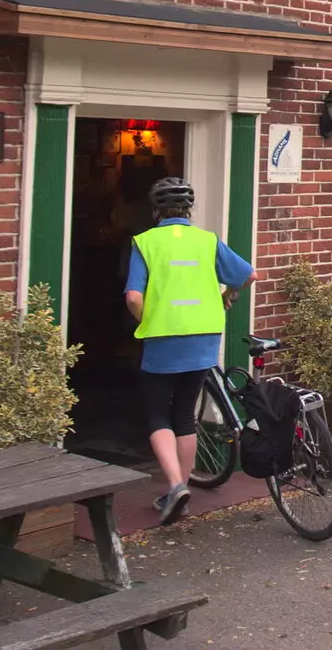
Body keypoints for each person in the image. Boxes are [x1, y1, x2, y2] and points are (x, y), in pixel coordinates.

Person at [124, 176, 255, 524]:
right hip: (204, 335)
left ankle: (174, 484)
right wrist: (228, 296)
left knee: (157, 415)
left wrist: (148, 319)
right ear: (189, 210)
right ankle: (180, 488)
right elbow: (247, 275)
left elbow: (134, 297)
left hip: (164, 338)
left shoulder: (145, 242)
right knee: (184, 413)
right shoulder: (207, 241)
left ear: (156, 210)